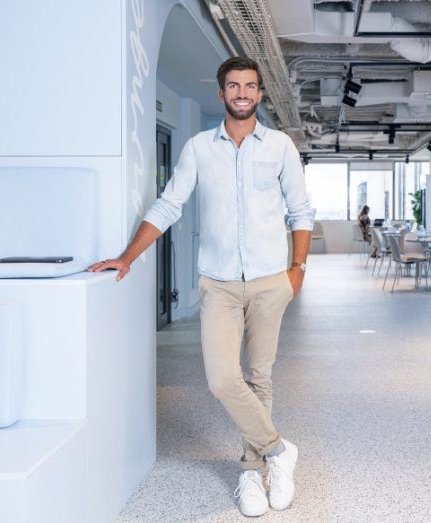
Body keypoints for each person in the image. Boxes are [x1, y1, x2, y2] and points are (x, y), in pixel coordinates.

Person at [88, 56, 314, 517]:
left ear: (260, 93)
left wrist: (298, 271)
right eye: (234, 86)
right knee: (222, 379)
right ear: (221, 93)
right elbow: (169, 205)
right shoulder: (197, 148)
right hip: (219, 284)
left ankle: (252, 473)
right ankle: (278, 450)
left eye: (250, 86)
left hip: (272, 280)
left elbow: (301, 210)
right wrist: (128, 255)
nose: (242, 93)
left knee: (261, 377)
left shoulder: (280, 147)